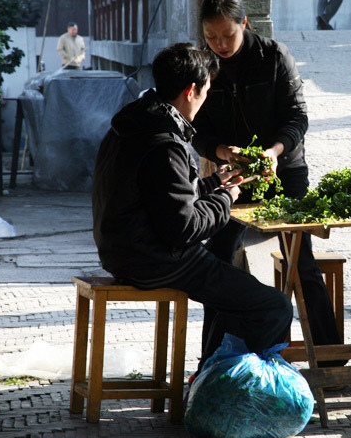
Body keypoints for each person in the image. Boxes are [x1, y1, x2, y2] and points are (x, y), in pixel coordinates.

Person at [92, 43, 292, 370]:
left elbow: (165, 196)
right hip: (155, 258)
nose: (205, 98)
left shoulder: (134, 124)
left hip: (124, 250)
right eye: (206, 91)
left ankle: (209, 375)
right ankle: (234, 391)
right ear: (190, 91)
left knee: (230, 288)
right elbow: (183, 228)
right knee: (274, 306)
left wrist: (216, 183)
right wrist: (227, 198)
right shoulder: (165, 143)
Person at [191, 0, 344, 364]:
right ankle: (213, 357)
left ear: (245, 23)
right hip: (233, 176)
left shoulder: (274, 56)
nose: (220, 44)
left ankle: (329, 356)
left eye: (228, 34)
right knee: (220, 257)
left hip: (285, 170)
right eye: (211, 37)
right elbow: (198, 131)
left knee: (300, 259)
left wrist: (275, 152)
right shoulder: (204, 66)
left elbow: (298, 117)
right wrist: (224, 152)